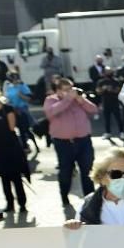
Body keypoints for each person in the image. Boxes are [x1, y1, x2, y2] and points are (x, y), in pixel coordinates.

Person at [43, 78, 97, 207]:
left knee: (87, 171)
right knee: (65, 171)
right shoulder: (51, 100)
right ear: (58, 91)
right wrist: (68, 99)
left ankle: (90, 199)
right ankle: (64, 197)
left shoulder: (78, 100)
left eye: (71, 88)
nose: (70, 92)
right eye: (66, 90)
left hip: (83, 141)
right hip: (64, 143)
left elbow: (93, 109)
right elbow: (51, 112)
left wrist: (81, 100)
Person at [0, 82, 30, 212]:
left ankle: (22, 203)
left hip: (11, 146)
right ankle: (9, 204)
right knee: (4, 179)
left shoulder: (8, 109)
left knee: (16, 177)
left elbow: (11, 128)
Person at [3, 71, 40, 154]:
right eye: (12, 78)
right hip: (13, 110)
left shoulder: (22, 86)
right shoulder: (9, 87)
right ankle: (24, 146)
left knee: (25, 129)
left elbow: (29, 99)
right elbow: (7, 99)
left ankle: (34, 145)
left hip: (22, 110)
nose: (14, 80)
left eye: (15, 78)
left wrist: (21, 96)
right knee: (18, 129)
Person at [96, 68, 124, 138]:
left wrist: (111, 89)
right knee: (106, 119)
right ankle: (108, 132)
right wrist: (103, 89)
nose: (109, 73)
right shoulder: (101, 82)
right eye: (107, 72)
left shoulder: (116, 81)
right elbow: (98, 91)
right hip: (105, 103)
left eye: (110, 72)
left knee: (118, 118)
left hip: (115, 102)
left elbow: (119, 91)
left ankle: (122, 132)